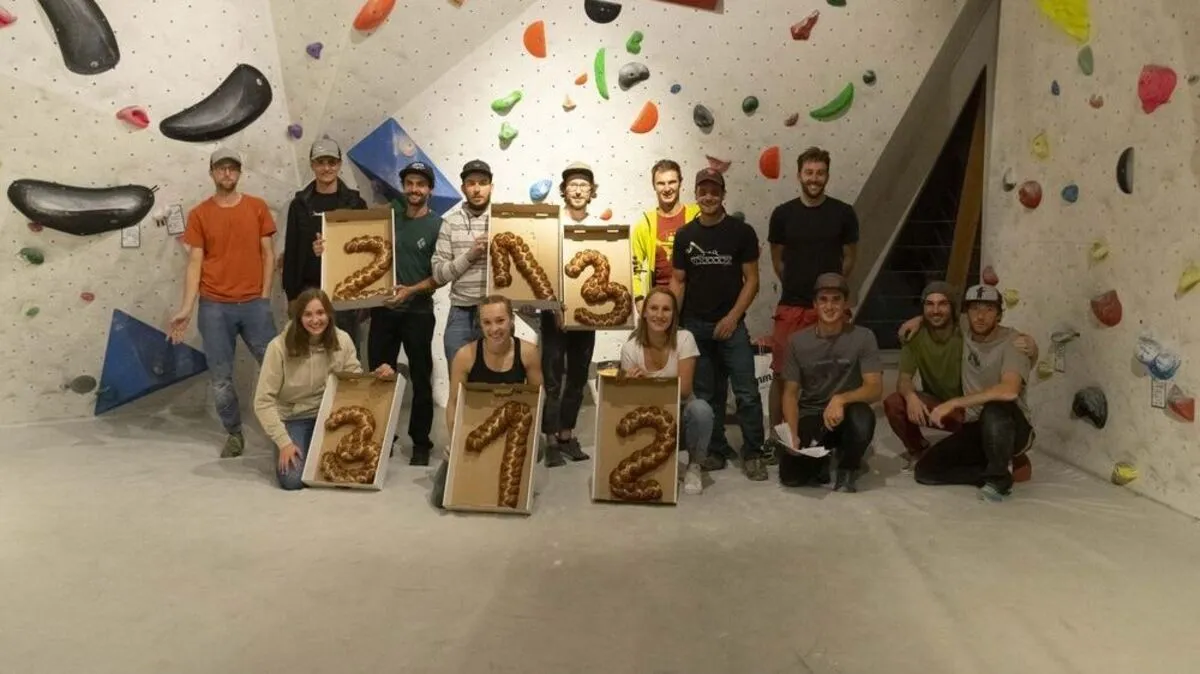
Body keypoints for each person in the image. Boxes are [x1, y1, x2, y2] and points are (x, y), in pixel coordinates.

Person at [313, 161, 443, 466]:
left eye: (421, 184)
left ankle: (421, 443)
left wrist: (410, 290)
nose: (414, 189)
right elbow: (348, 243)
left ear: (430, 190)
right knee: (379, 377)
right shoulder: (385, 216)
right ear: (403, 186)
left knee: (422, 379)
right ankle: (381, 436)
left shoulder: (437, 226)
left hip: (419, 312)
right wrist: (325, 247)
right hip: (382, 313)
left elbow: (439, 276)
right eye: (409, 183)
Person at [168, 147, 277, 458]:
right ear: (212, 172)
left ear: (239, 173)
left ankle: (285, 429)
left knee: (275, 367)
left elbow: (268, 253)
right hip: (214, 306)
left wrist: (265, 295)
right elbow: (194, 263)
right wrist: (187, 308)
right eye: (221, 168)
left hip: (255, 304)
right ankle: (234, 434)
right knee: (220, 378)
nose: (227, 173)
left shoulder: (257, 208)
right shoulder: (200, 214)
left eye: (233, 168)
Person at [669, 168, 767, 481]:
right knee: (706, 395)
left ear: (723, 194)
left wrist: (732, 317)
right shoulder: (685, 236)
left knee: (747, 392)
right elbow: (678, 282)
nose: (708, 197)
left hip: (731, 325)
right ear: (696, 194)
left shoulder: (741, 232)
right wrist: (672, 324)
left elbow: (752, 281)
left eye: (714, 191)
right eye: (703, 191)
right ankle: (715, 450)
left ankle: (753, 452)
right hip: (696, 326)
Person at [891, 282, 1038, 476]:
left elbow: (1009, 390)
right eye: (974, 309)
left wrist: (1033, 349)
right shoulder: (960, 329)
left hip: (1000, 417)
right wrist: (918, 320)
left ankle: (1002, 466)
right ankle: (987, 468)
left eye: (989, 309)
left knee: (994, 411)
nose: (980, 316)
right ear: (966, 313)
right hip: (968, 417)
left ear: (999, 314)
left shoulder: (1008, 340)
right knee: (925, 470)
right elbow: (938, 315)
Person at [253, 288, 394, 490]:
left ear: (329, 314)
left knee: (354, 466)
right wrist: (284, 442)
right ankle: (297, 444)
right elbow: (263, 402)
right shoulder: (278, 348)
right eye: (308, 314)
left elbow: (353, 381)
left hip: (330, 414)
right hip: (294, 417)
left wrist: (376, 376)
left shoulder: (342, 339)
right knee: (292, 481)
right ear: (299, 317)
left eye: (320, 313)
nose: (315, 320)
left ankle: (313, 448)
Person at [767, 147, 860, 431]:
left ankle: (828, 432)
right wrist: (798, 284)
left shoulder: (844, 213)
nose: (814, 178)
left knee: (834, 373)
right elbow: (778, 261)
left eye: (820, 173)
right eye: (809, 172)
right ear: (799, 175)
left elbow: (849, 258)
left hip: (830, 308)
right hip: (792, 305)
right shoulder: (782, 214)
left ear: (827, 176)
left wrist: (829, 291)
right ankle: (777, 434)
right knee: (783, 373)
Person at [432, 295, 543, 507]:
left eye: (500, 321)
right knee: (441, 500)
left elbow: (537, 399)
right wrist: (455, 440)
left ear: (511, 320)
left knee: (539, 449)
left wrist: (530, 435)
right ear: (480, 325)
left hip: (512, 426)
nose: (494, 329)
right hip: (475, 427)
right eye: (487, 323)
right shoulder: (465, 356)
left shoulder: (528, 353)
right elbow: (454, 403)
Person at [778, 273, 882, 493]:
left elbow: (874, 388)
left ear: (845, 304)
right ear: (815, 305)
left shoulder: (863, 337)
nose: (830, 306)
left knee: (863, 419)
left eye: (836, 299)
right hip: (813, 414)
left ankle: (848, 467)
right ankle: (822, 458)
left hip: (848, 412)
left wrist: (841, 399)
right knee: (792, 478)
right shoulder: (798, 341)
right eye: (823, 299)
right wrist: (793, 433)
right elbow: (790, 393)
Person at [619, 287, 714, 495]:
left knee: (702, 410)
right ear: (644, 312)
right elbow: (629, 398)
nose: (659, 315)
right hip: (647, 411)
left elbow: (684, 389)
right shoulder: (630, 348)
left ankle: (694, 466)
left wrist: (647, 382)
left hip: (680, 409)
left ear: (674, 314)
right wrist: (631, 383)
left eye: (666, 309)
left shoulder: (685, 338)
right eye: (653, 308)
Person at [537, 161, 601, 466]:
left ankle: (566, 434)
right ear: (564, 191)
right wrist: (554, 307)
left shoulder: (599, 227)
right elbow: (543, 269)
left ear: (591, 192)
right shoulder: (551, 223)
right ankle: (549, 439)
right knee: (551, 378)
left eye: (584, 186)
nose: (578, 190)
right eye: (573, 185)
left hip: (587, 314)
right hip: (553, 313)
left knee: (577, 375)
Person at [280, 138, 368, 343]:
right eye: (320, 162)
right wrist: (291, 297)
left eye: (331, 162)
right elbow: (291, 252)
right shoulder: (299, 204)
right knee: (309, 357)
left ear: (339, 164)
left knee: (345, 355)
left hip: (345, 294)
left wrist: (365, 296)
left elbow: (364, 252)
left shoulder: (355, 203)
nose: (326, 168)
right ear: (312, 165)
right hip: (308, 292)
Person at [432, 160, 494, 365]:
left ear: (491, 187)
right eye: (471, 183)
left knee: (495, 381)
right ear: (463, 188)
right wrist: (470, 255)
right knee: (458, 382)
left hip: (496, 313)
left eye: (483, 183)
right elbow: (438, 274)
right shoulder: (450, 222)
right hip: (460, 313)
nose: (477, 189)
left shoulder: (504, 220)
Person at [631, 159, 701, 303]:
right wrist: (639, 299)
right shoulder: (645, 224)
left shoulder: (698, 217)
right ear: (654, 187)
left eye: (672, 182)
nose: (667, 188)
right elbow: (634, 269)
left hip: (695, 303)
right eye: (661, 183)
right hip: (659, 304)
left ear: (680, 183)